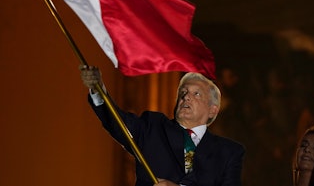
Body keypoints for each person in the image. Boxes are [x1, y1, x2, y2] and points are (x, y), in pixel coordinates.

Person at [80, 65, 245, 186]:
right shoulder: (153, 127)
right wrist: (98, 90)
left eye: (196, 94)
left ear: (212, 110)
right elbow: (117, 122)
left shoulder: (229, 152)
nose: (186, 97)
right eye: (183, 92)